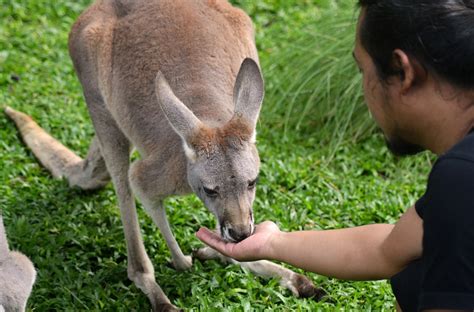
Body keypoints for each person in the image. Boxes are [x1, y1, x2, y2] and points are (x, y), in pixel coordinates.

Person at [196, 0, 474, 311]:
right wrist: (273, 242)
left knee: (417, 280)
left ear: (402, 71)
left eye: (362, 69)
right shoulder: (461, 176)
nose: (363, 88)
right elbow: (389, 248)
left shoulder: (461, 177)